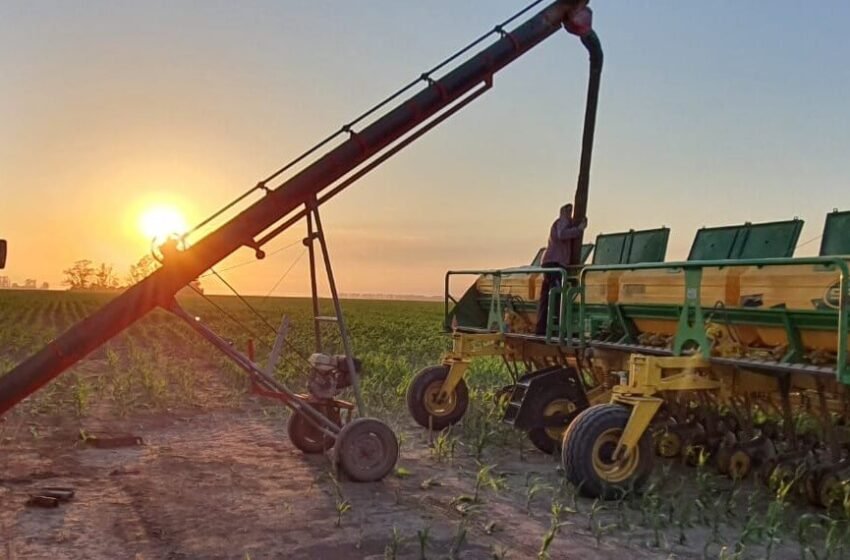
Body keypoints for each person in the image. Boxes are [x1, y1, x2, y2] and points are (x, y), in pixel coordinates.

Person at [535, 204, 587, 335]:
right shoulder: (563, 221)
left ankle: (542, 329)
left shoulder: (560, 222)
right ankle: (554, 327)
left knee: (547, 297)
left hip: (550, 262)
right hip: (555, 263)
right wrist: (579, 229)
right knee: (556, 296)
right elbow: (562, 234)